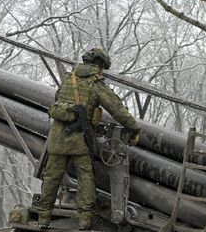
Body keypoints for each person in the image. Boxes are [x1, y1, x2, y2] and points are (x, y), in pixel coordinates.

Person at [34, 48, 140, 230]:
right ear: (99, 67)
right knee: (86, 178)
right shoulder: (95, 84)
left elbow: (58, 100)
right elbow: (117, 109)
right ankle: (84, 220)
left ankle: (43, 217)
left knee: (51, 177)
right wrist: (134, 128)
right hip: (80, 140)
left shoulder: (68, 79)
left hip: (57, 138)